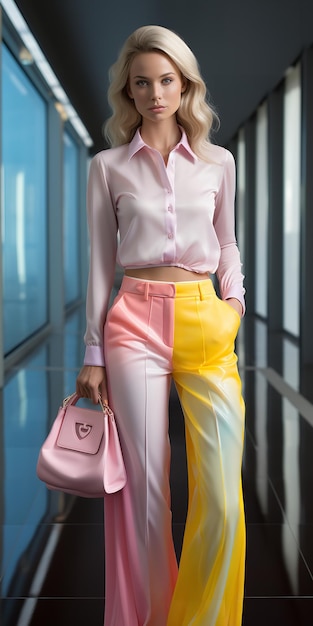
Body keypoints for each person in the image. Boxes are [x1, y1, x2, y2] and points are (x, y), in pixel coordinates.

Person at [76, 24, 246, 626]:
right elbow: (99, 264)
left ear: (185, 85)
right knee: (145, 497)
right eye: (142, 81)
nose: (154, 92)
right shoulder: (107, 168)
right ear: (128, 87)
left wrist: (234, 305)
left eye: (166, 80)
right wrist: (94, 353)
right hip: (134, 324)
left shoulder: (218, 163)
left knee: (223, 498)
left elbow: (227, 245)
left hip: (206, 320)